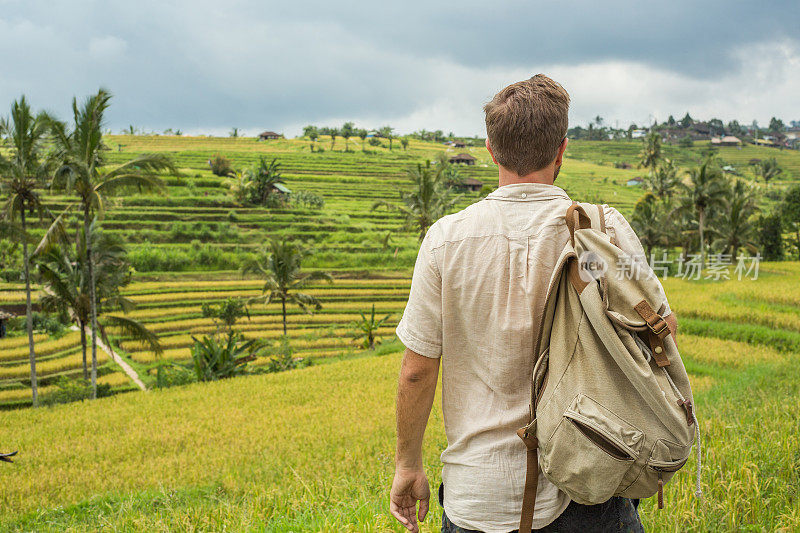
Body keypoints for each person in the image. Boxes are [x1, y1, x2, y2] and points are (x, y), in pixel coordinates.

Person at [389, 75, 677, 533]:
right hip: (591, 480)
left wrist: (408, 464)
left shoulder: (446, 240)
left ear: (490, 149)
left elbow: (417, 370)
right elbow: (662, 332)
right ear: (561, 149)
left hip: (478, 497)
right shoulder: (601, 232)